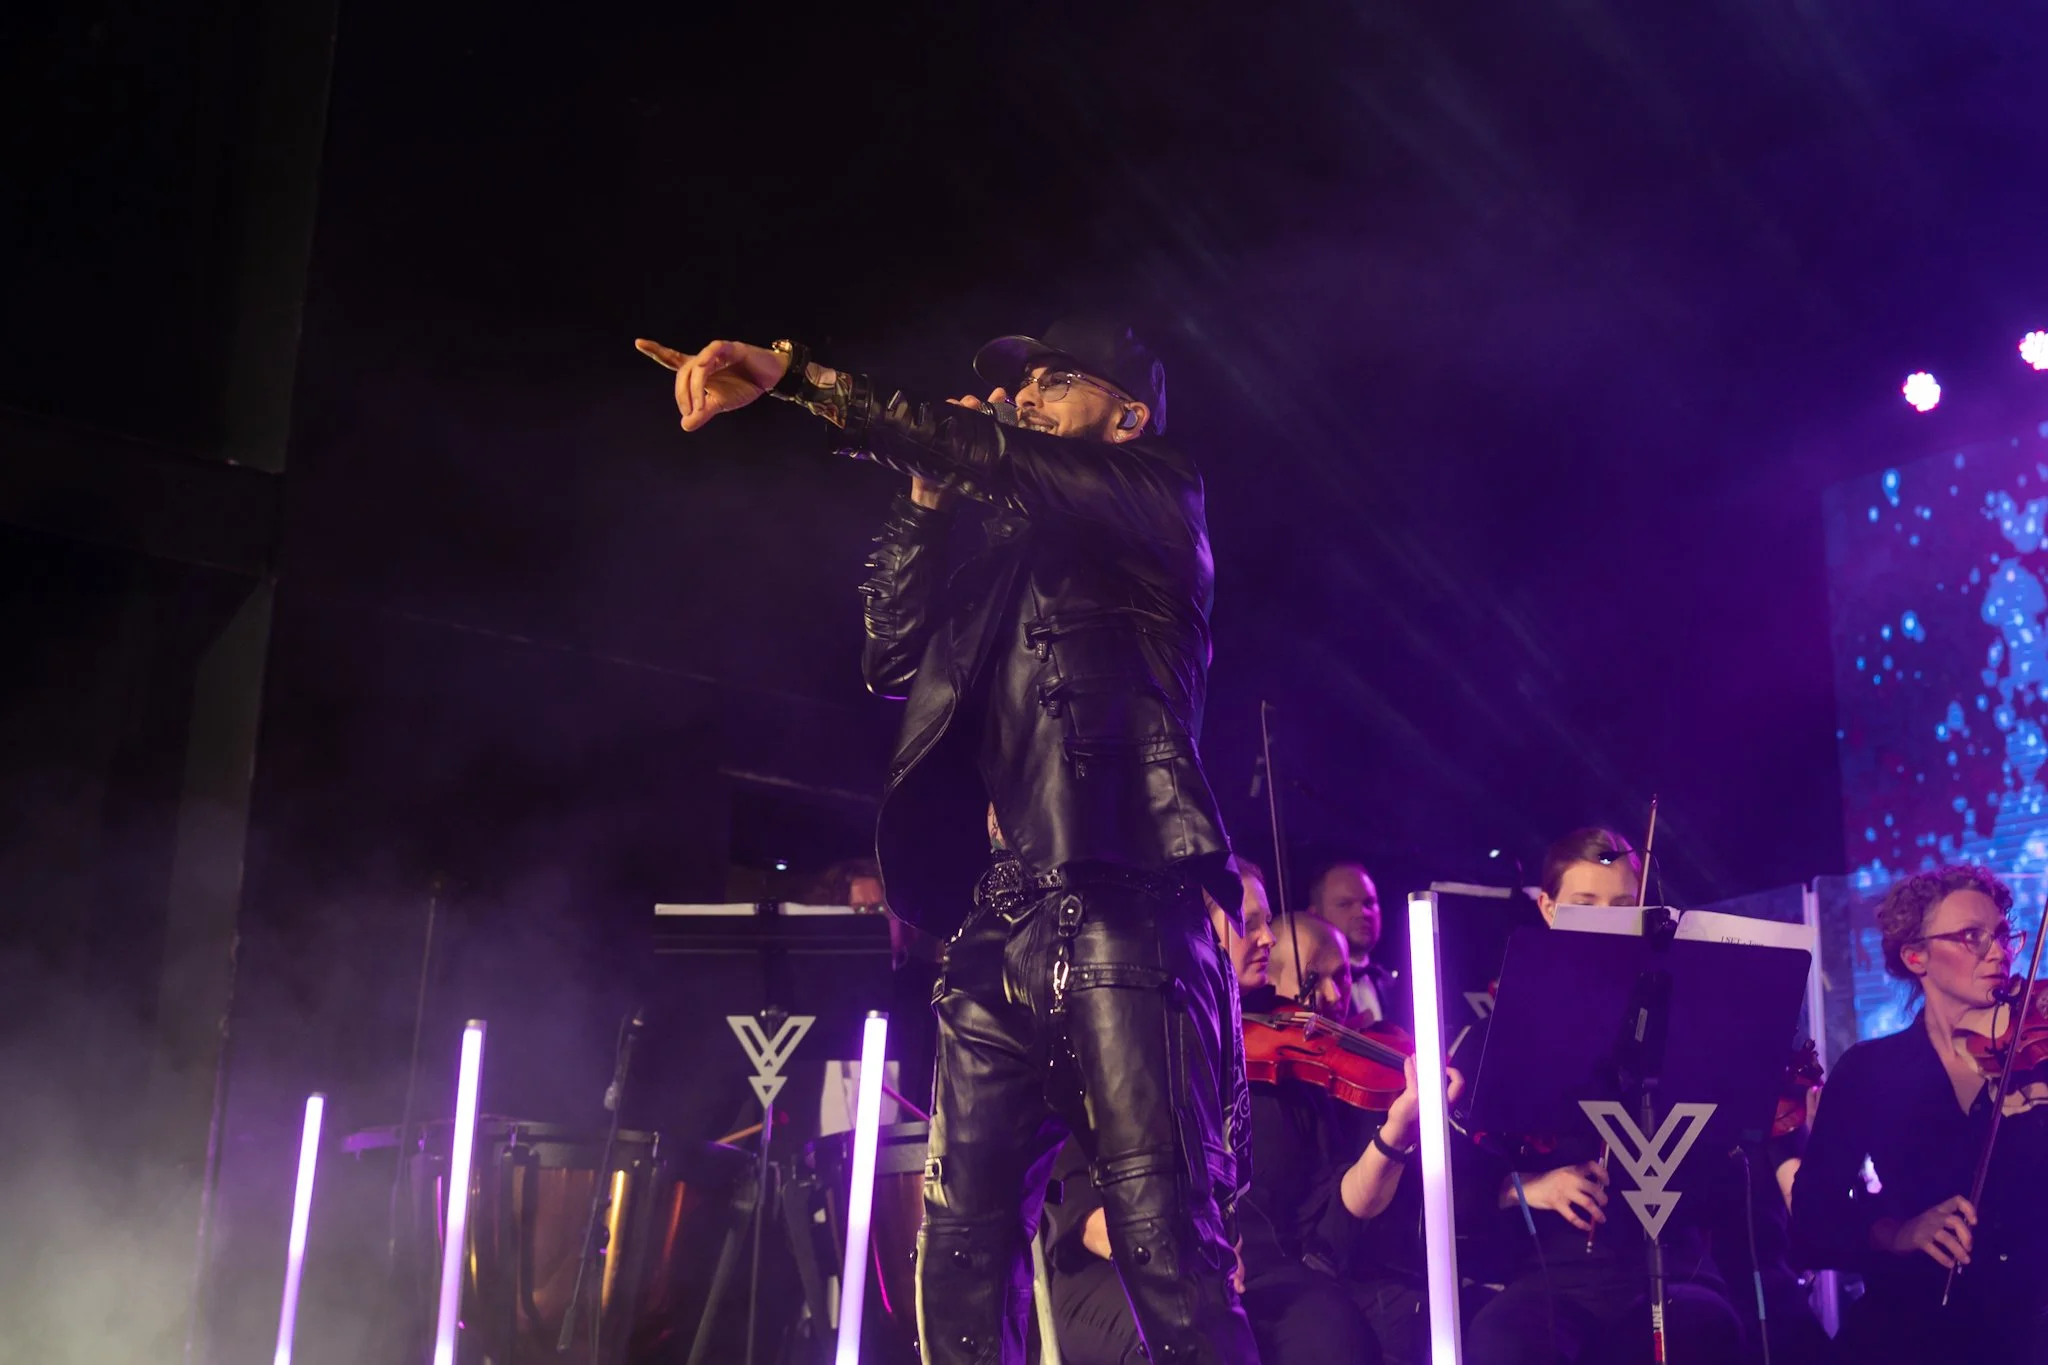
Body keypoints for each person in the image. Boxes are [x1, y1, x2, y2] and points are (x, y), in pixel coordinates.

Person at [638, 319, 1258, 1364]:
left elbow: (992, 453)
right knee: (960, 1252)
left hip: (1123, 908)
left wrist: (798, 379)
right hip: (998, 925)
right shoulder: (1000, 565)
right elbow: (889, 656)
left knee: (1164, 1246)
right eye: (1022, 386)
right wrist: (925, 498)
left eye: (1056, 381)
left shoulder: (1158, 493)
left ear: (1126, 416)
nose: (1027, 398)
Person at [1044, 864, 1448, 1365]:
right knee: (1193, 1331)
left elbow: (1326, 1217)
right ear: (1188, 928)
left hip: (1255, 1267)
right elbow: (1075, 1197)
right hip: (1126, 1266)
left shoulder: (1283, 1052)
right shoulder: (1122, 1033)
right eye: (1247, 921)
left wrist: (1395, 1134)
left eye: (1267, 921)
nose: (1269, 938)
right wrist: (1180, 1254)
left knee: (1337, 1331)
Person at [1453, 828, 1745, 1365]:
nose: (1608, 924)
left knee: (1704, 1332)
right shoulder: (1499, 1035)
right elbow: (1459, 1185)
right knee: (1504, 1341)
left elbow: (1721, 1175)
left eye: (1623, 907)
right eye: (1586, 905)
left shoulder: (1680, 1023)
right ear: (1548, 909)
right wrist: (1528, 1186)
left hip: (1674, 1269)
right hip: (1549, 1278)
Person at [1789, 865, 2048, 1363]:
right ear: (1916, 956)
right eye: (1971, 936)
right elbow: (1811, 1224)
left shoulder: (2036, 1055)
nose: (1998, 951)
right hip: (1915, 1329)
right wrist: (1895, 1232)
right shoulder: (1869, 1070)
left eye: (2001, 934)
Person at [1305, 861, 1407, 1027]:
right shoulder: (1308, 988)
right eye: (1345, 904)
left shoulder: (1396, 985)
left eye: (1369, 903)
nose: (1362, 913)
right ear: (1315, 914)